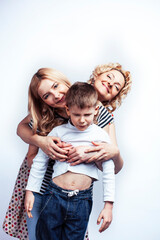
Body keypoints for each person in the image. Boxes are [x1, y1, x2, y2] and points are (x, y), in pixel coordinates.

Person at [3, 63, 131, 240]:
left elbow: (110, 163)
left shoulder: (102, 117)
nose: (110, 84)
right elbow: (24, 135)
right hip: (42, 185)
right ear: (96, 76)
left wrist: (108, 152)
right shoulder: (49, 110)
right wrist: (43, 143)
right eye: (109, 77)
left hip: (77, 194)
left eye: (117, 86)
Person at [25, 82, 115, 240]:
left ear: (96, 110)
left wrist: (108, 205)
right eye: (76, 115)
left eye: (87, 115)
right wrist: (30, 191)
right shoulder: (58, 132)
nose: (82, 120)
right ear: (68, 110)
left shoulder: (101, 136)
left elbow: (108, 171)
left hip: (82, 201)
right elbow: (40, 161)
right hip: (54, 195)